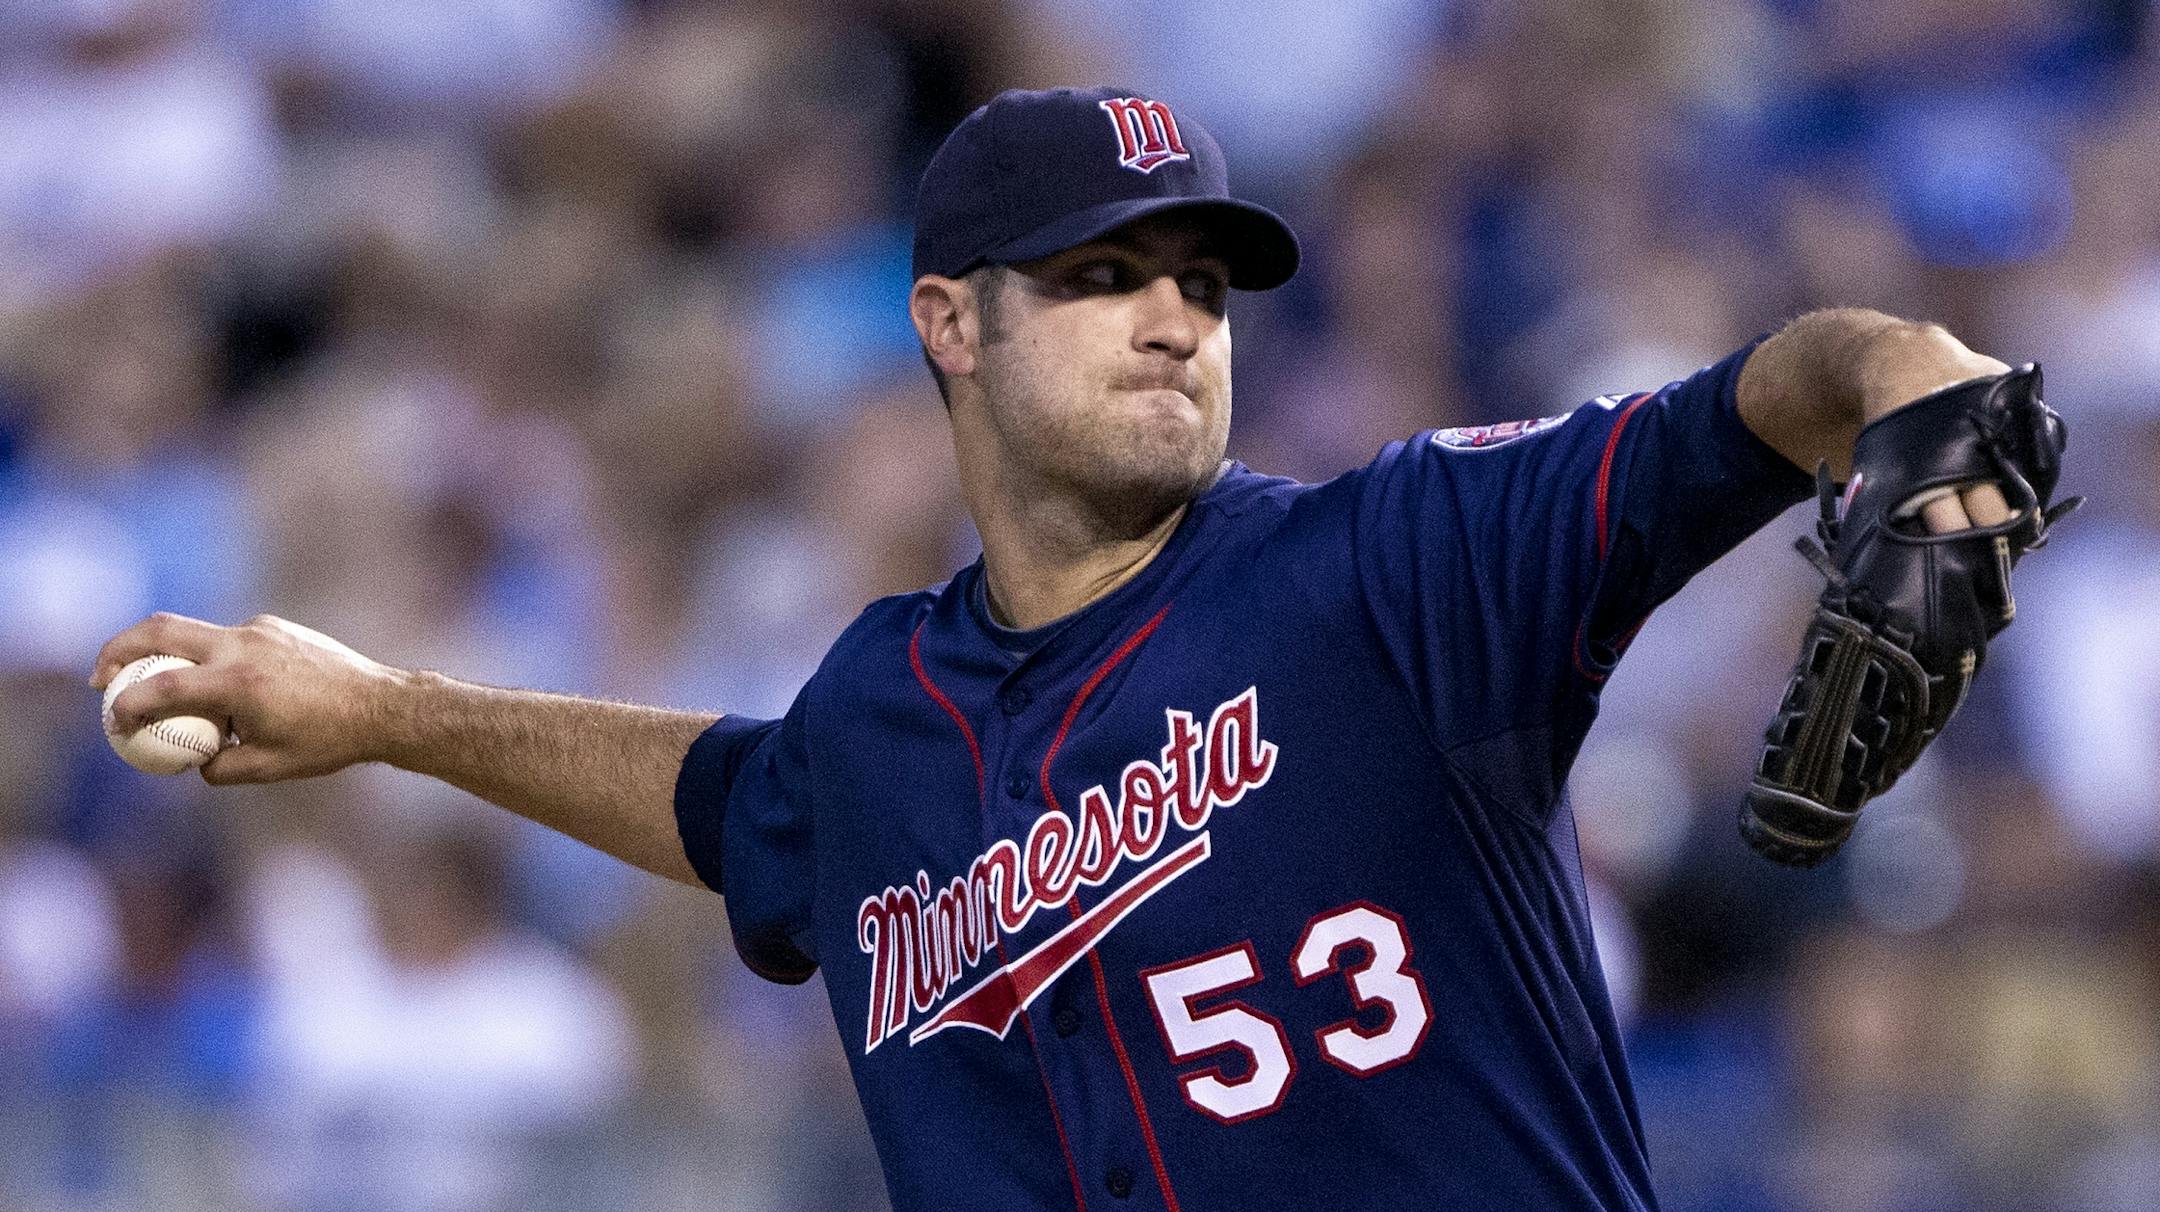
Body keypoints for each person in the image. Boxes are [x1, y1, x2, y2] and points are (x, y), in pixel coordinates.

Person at [96, 87, 2026, 1210]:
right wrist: (382, 713)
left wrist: (1906, 382)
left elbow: (1759, 402)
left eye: (1200, 280)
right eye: (1104, 278)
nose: (1175, 318)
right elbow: (720, 800)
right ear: (952, 324)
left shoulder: (1403, 563)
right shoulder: (875, 723)